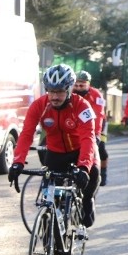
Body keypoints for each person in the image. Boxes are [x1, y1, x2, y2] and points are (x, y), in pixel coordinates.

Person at [9, 64, 99, 230]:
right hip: (56, 152)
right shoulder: (39, 106)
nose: (54, 96)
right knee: (51, 196)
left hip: (80, 150)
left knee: (94, 173)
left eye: (59, 92)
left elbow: (88, 138)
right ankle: (51, 228)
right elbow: (26, 134)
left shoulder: (82, 106)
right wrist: (17, 162)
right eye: (51, 91)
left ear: (70, 90)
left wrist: (84, 167)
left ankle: (87, 200)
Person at [73, 70, 109, 186]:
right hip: (79, 124)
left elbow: (98, 115)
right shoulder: (71, 93)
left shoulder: (97, 95)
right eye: (76, 85)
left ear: (88, 84)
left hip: (98, 124)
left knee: (101, 149)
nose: (78, 88)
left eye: (82, 85)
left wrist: (97, 134)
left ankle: (103, 173)